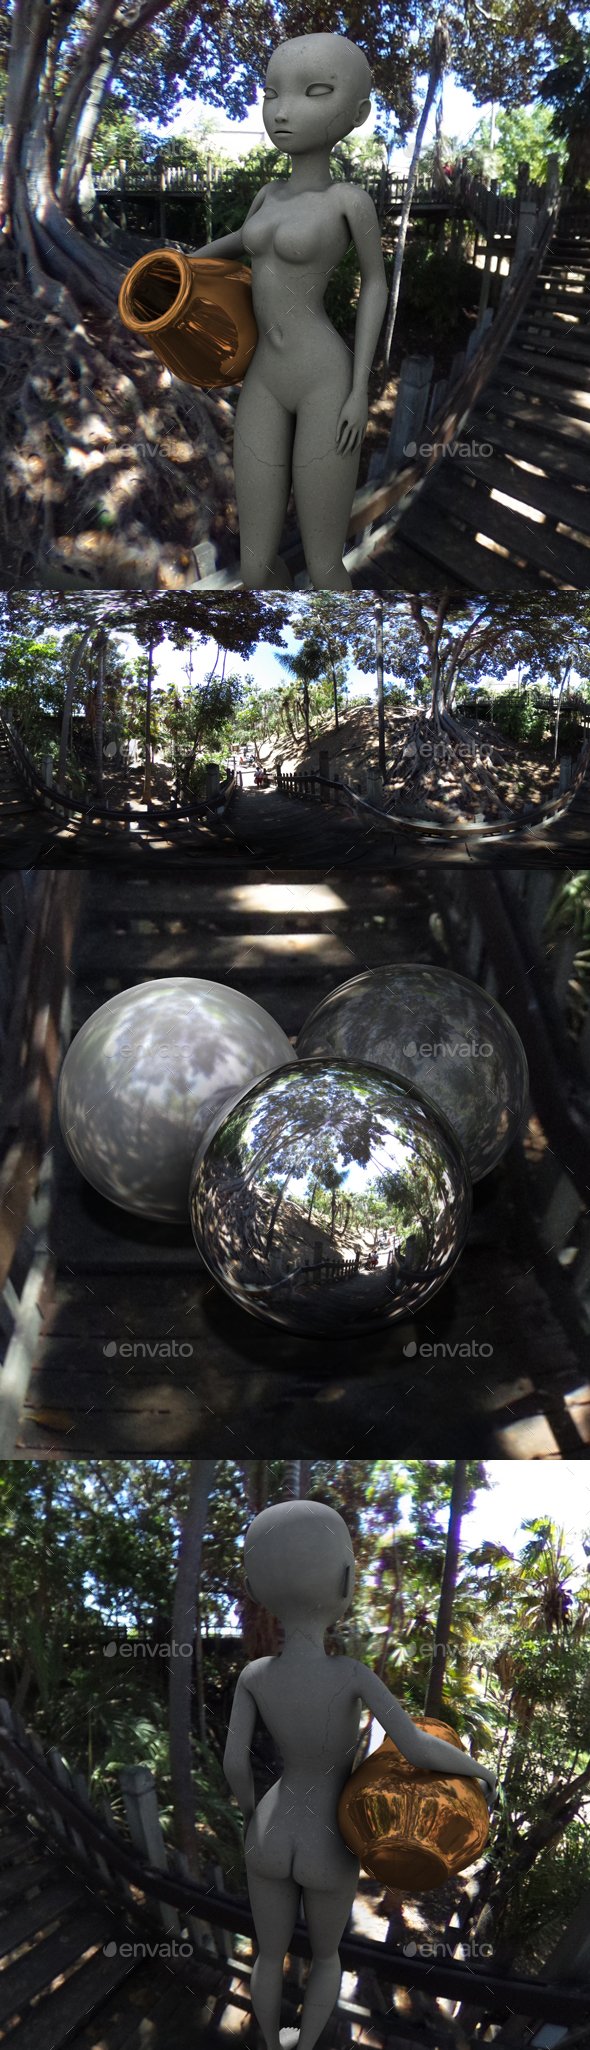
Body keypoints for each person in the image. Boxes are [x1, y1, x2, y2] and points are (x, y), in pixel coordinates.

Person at [224, 1501, 496, 2050]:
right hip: (332, 1839)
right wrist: (479, 1770)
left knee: (268, 1956)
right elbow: (416, 1745)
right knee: (327, 1957)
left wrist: (256, 1816)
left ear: (253, 1587)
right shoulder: (351, 1674)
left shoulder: (253, 1676)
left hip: (272, 1827)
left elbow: (234, 1764)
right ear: (346, 1580)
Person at [192, 33, 388, 591]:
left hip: (324, 378)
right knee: (255, 567)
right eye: (272, 93)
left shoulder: (348, 201)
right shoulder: (268, 195)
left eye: (314, 92)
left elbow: (376, 284)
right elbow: (234, 244)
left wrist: (359, 389)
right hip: (264, 378)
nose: (282, 111)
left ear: (357, 112)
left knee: (325, 567)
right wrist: (176, 266)